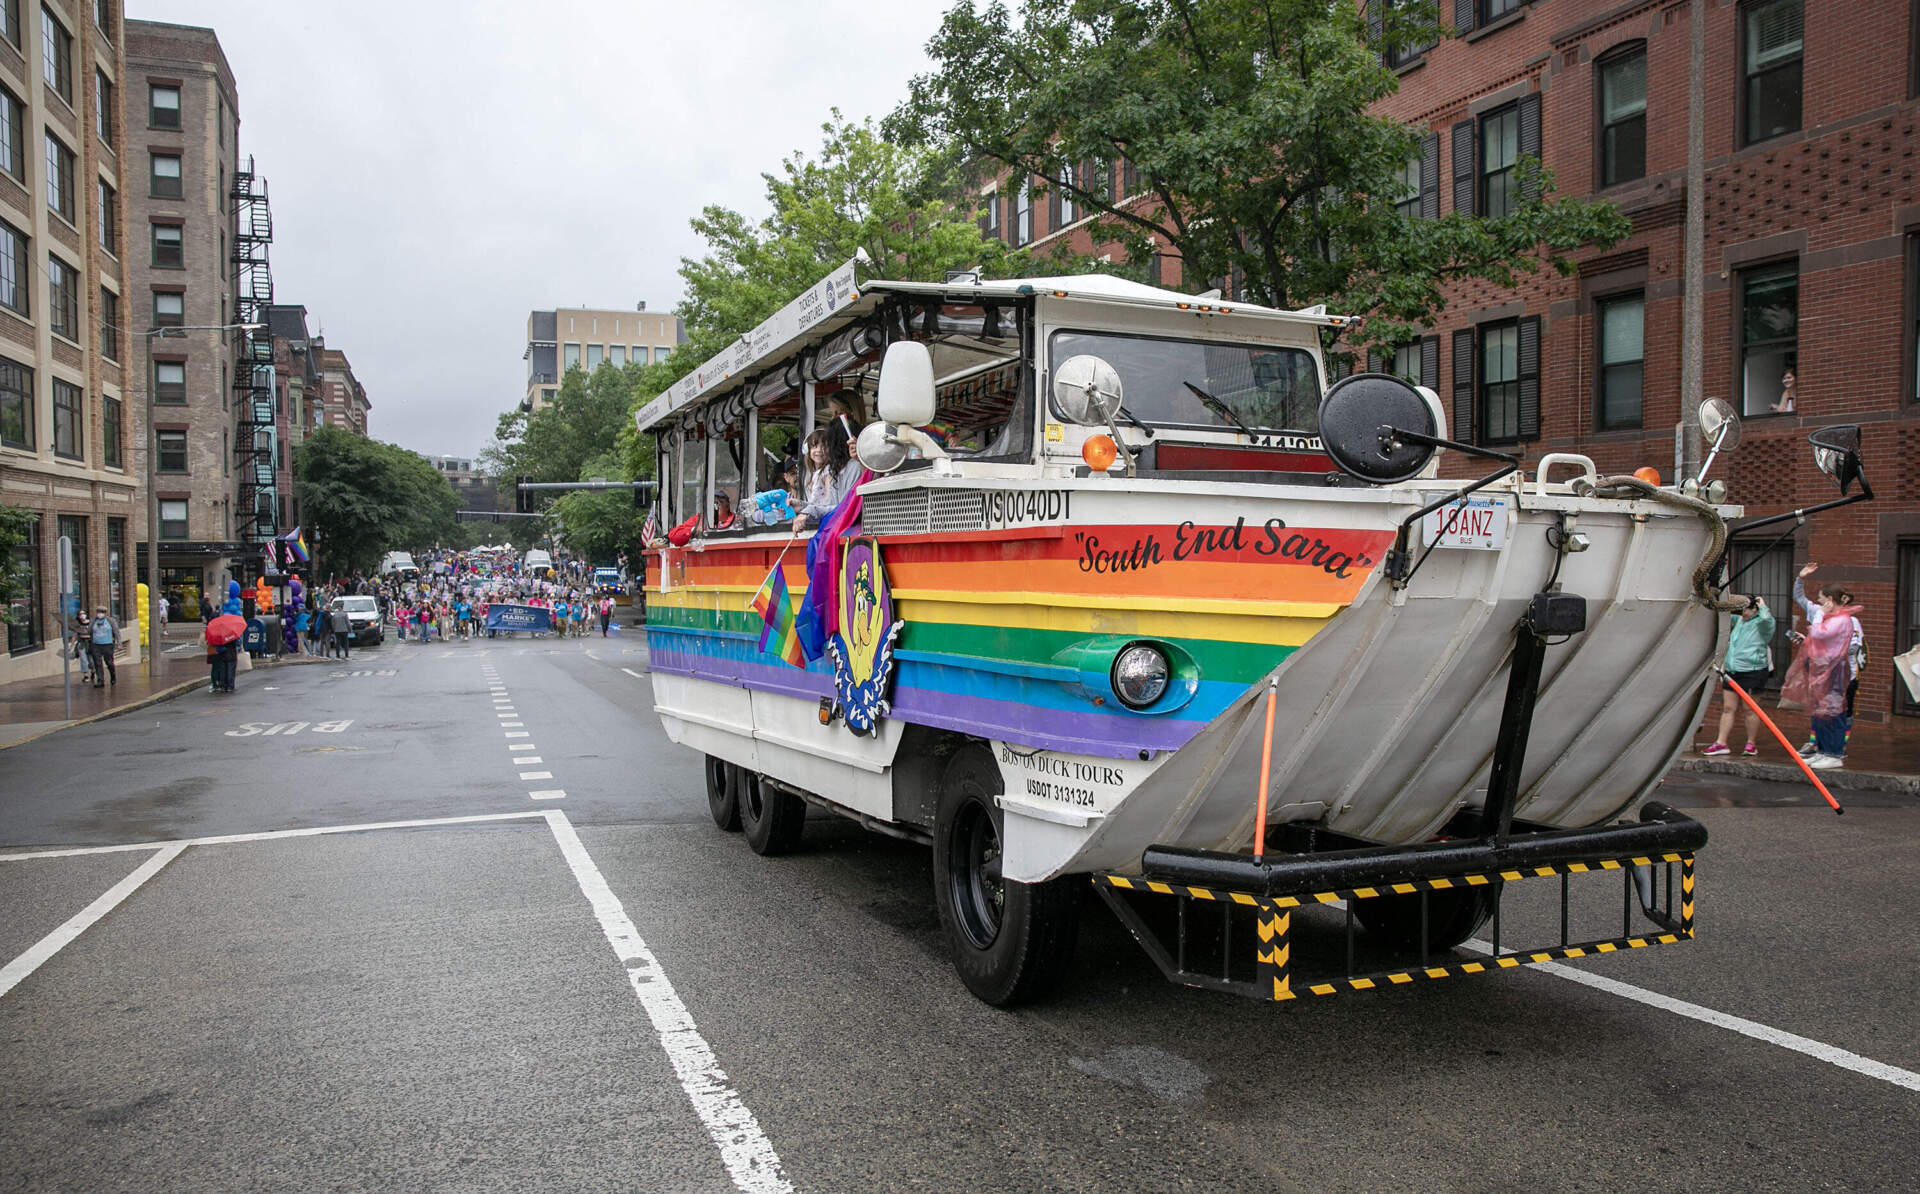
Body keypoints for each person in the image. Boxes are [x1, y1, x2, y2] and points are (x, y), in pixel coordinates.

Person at [1790, 562, 1864, 770]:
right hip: (1819, 671)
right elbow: (1799, 598)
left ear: (1830, 601)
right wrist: (1801, 578)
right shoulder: (1819, 614)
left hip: (1837, 672)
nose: (1818, 603)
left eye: (1821, 599)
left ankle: (1834, 753)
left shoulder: (1848, 621)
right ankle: (1822, 750)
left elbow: (1851, 647)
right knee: (1820, 712)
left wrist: (1823, 646)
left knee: (1835, 713)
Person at [1701, 595, 1775, 756]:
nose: (1743, 612)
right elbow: (1722, 615)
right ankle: (1721, 743)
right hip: (1733, 671)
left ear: (1755, 609)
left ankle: (1751, 744)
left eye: (1747, 608)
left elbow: (1767, 620)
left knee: (1750, 709)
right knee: (1728, 708)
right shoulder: (1740, 620)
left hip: (1753, 671)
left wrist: (1762, 606)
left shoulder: (1762, 625)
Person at [794, 427, 860, 531]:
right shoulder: (817, 474)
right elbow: (820, 505)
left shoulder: (829, 472)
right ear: (807, 450)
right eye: (815, 446)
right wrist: (801, 505)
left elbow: (831, 505)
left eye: (825, 446)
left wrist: (808, 511)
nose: (820, 450)